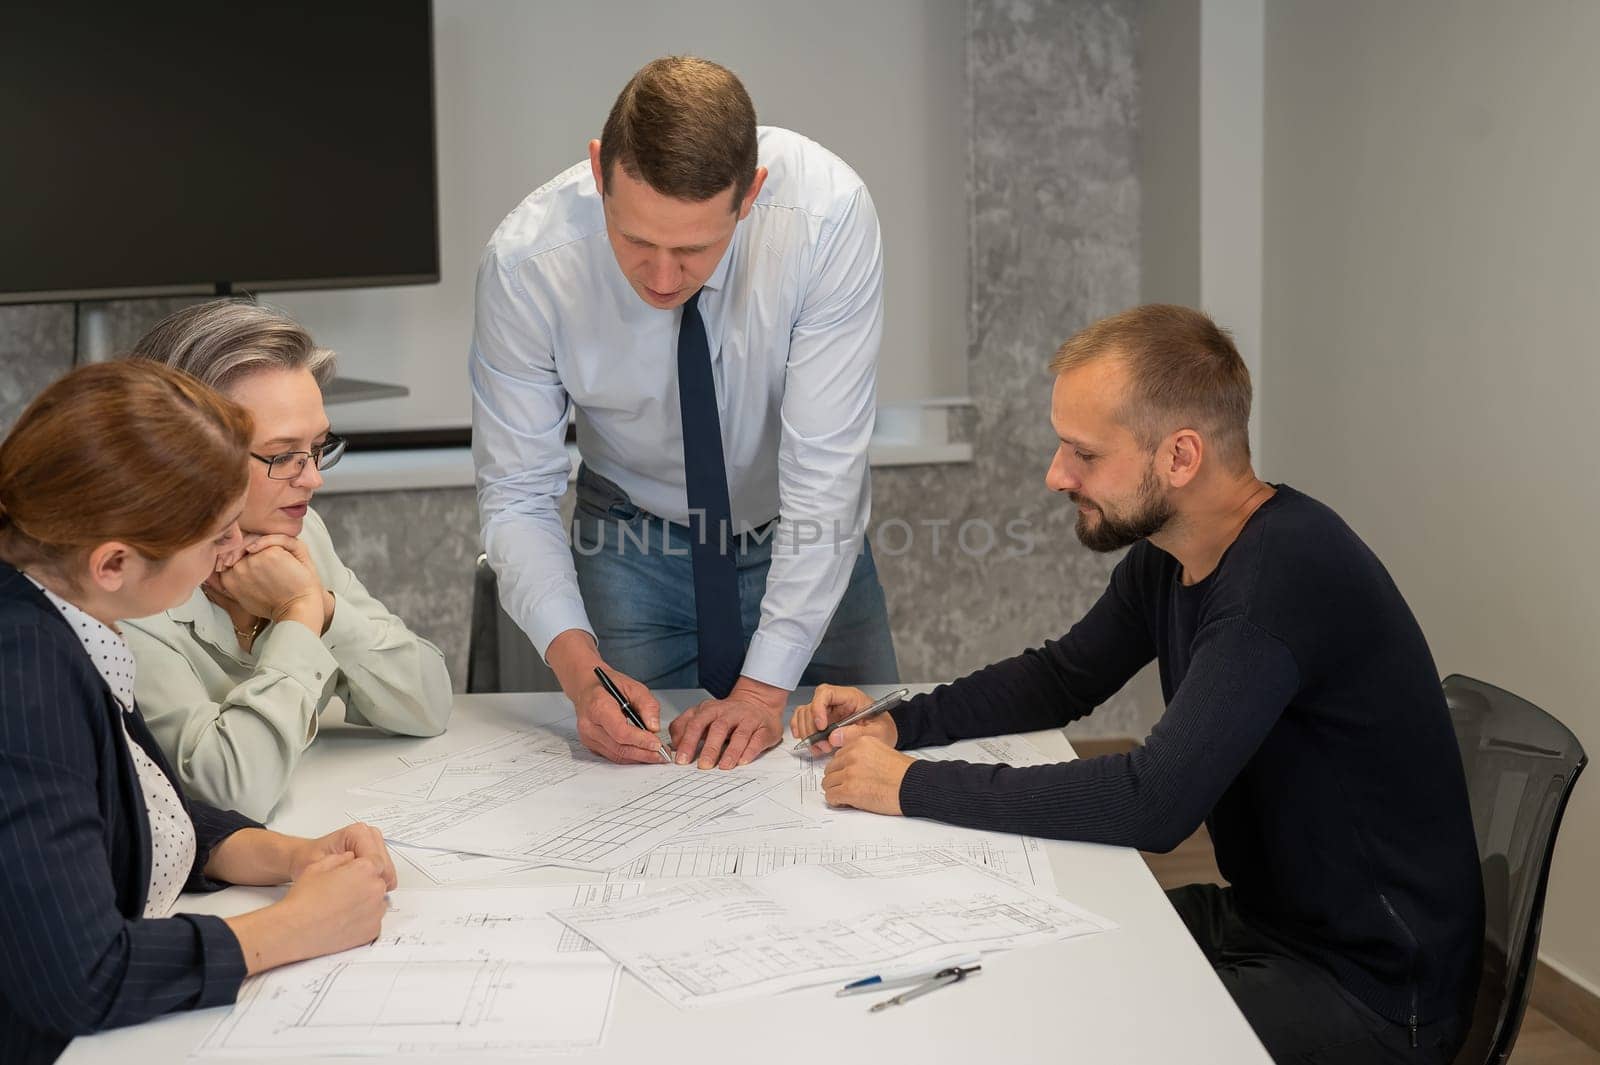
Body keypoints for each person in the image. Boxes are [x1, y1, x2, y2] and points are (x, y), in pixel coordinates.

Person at [791, 305, 1484, 1064]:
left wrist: (908, 785)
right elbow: (1059, 678)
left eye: (1083, 452)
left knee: (1076, 1039)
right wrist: (899, 724)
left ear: (1180, 456)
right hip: (1268, 925)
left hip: (1374, 990)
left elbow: (1153, 801)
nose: (1058, 474)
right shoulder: (1175, 551)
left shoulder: (1280, 579)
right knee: (1018, 968)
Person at [472, 55, 898, 771]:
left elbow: (825, 471)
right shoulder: (526, 264)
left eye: (695, 249)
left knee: (854, 771)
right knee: (641, 783)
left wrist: (764, 694)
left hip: (805, 531)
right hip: (634, 543)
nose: (663, 278)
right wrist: (583, 676)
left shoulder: (827, 216)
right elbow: (516, 495)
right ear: (599, 168)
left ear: (751, 193)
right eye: (636, 241)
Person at [0, 361, 395, 1065]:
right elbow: (80, 975)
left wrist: (290, 855)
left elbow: (140, 803)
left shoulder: (64, 608)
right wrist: (290, 927)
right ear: (114, 563)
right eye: (215, 535)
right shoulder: (24, 675)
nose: (235, 548)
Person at [124, 299, 452, 821]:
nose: (313, 479)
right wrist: (301, 615)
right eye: (281, 456)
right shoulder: (123, 585)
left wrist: (325, 606)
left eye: (319, 448)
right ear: (179, 452)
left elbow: (428, 704)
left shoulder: (295, 533)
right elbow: (229, 792)